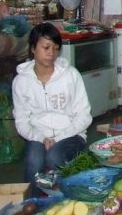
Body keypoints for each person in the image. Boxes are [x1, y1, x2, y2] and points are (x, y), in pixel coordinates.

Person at [12, 23, 92, 196]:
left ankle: (70, 197)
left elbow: (84, 116)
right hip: (38, 135)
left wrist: (58, 137)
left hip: (71, 135)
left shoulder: (71, 75)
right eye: (46, 47)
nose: (51, 53)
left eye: (56, 48)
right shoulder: (21, 82)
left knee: (54, 157)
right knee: (34, 159)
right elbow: (21, 122)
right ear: (33, 48)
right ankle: (32, 205)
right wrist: (41, 137)